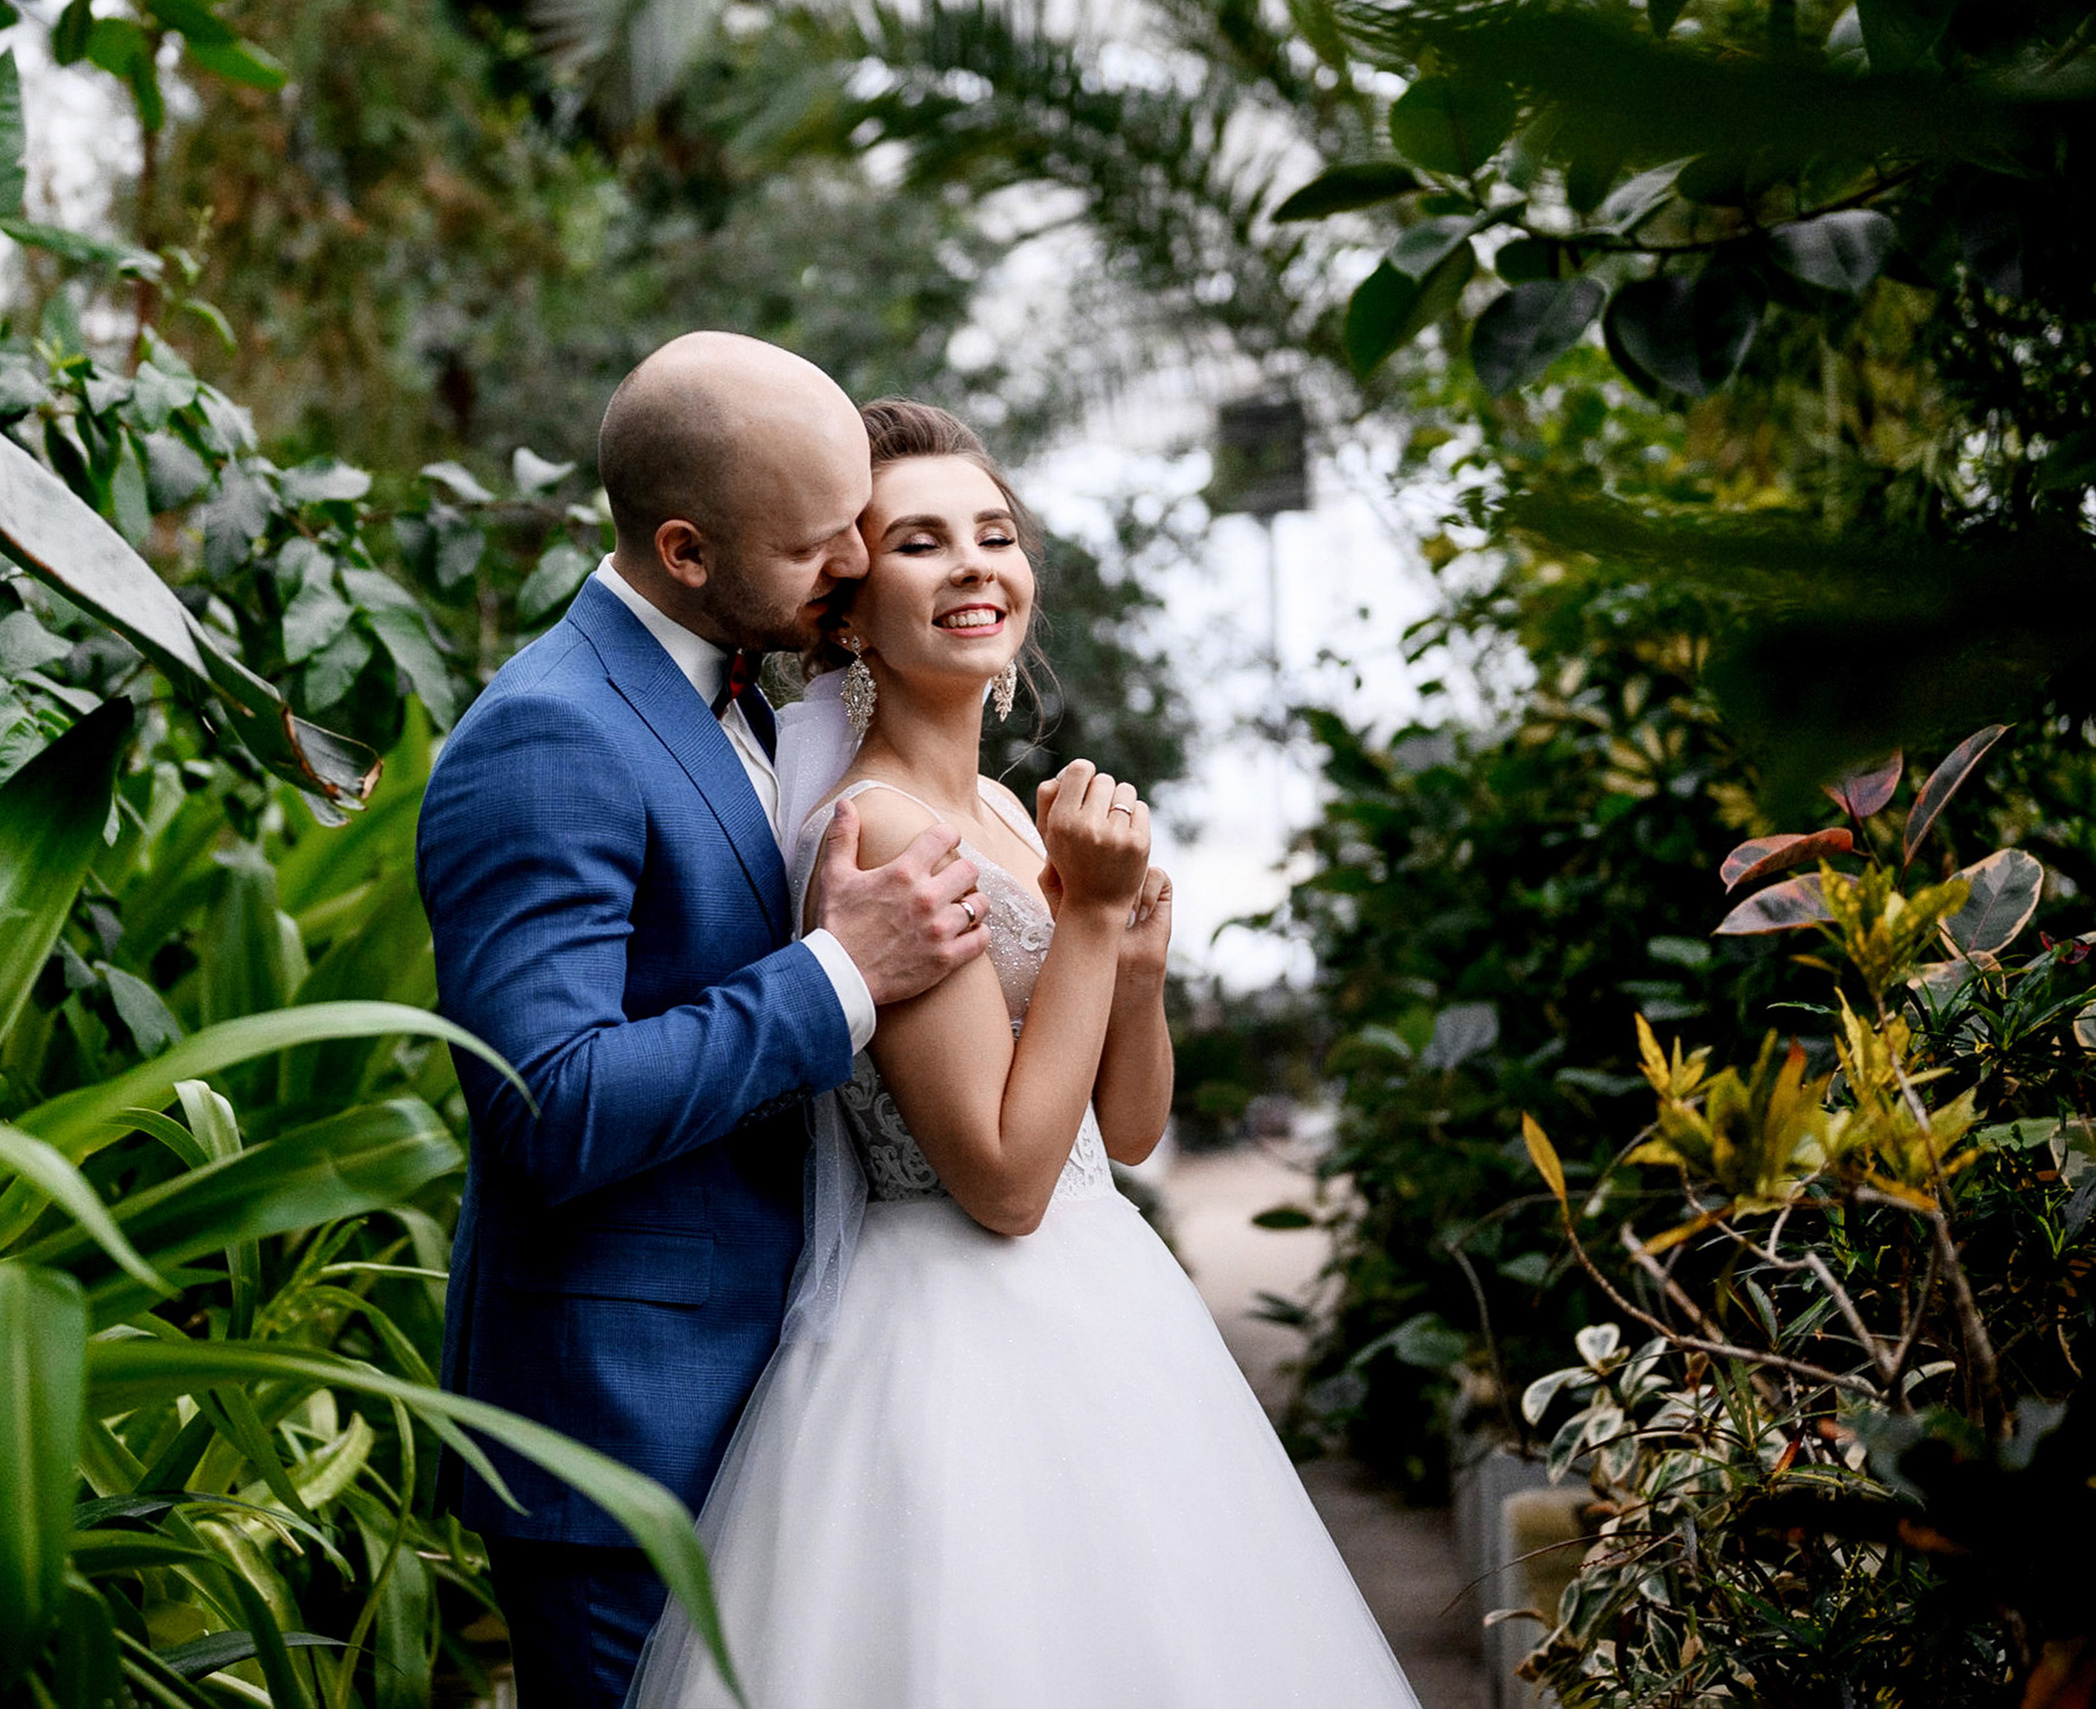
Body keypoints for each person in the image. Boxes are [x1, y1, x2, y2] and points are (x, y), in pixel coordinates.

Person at [627, 400, 1424, 1709]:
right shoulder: (882, 828)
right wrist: (1094, 913)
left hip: (1103, 1306)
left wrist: (1137, 962)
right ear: (847, 600)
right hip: (955, 1340)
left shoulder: (997, 807)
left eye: (996, 534)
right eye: (923, 541)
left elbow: (1124, 1132)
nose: (974, 565)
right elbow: (1001, 1175)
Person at [415, 334, 991, 1707]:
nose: (854, 566)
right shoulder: (546, 733)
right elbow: (546, 1103)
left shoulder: (764, 703)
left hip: (782, 1409)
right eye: (817, 547)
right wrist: (842, 976)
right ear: (684, 550)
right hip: (619, 1441)